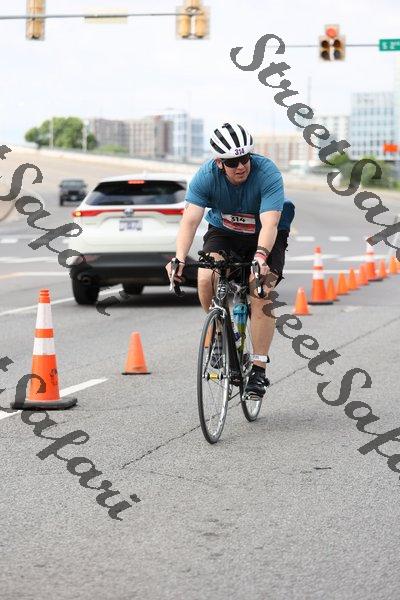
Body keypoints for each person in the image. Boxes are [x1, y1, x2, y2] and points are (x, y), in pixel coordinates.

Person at [166, 122, 295, 400]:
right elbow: (190, 221)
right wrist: (178, 258)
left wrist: (260, 257)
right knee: (205, 277)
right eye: (232, 162)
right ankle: (218, 336)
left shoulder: (267, 173)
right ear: (219, 162)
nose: (241, 166)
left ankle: (258, 369)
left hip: (265, 234)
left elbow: (270, 224)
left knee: (260, 290)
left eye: (245, 158)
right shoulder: (205, 176)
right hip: (224, 232)